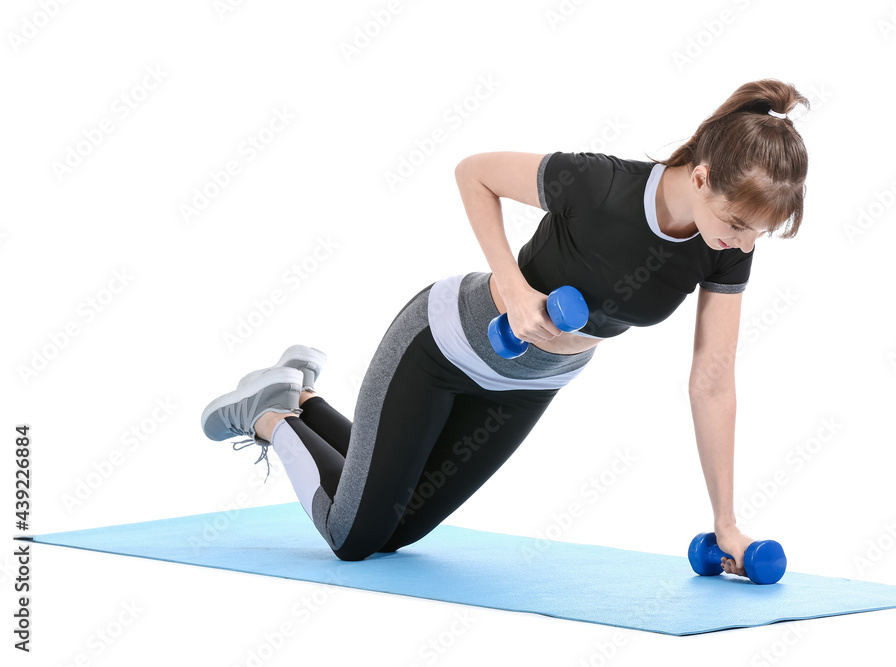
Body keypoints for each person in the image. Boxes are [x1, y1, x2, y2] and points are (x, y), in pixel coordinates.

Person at [200, 78, 810, 575]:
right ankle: (269, 414)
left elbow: (713, 378)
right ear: (702, 176)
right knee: (352, 538)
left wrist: (725, 520)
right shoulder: (599, 185)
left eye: (760, 231)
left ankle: (301, 396)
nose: (745, 241)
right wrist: (514, 290)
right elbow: (474, 173)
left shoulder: (726, 244)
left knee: (399, 529)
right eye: (739, 221)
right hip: (442, 346)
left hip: (528, 384)